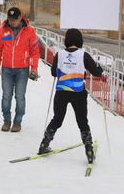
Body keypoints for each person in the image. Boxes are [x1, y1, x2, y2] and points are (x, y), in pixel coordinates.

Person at [38, 28, 103, 163]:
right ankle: (89, 150)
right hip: (78, 93)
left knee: (57, 119)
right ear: (80, 41)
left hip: (61, 91)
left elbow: (54, 73)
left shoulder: (59, 54)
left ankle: (44, 144)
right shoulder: (83, 55)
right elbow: (96, 72)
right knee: (82, 121)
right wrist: (100, 70)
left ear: (66, 40)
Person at [0, 7, 40, 133]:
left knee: (20, 96)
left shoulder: (30, 31)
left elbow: (35, 51)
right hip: (7, 69)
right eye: (10, 19)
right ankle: (7, 120)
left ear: (20, 18)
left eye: (14, 19)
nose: (12, 22)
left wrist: (34, 68)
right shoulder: (3, 30)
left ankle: (17, 122)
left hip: (22, 70)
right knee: (6, 96)